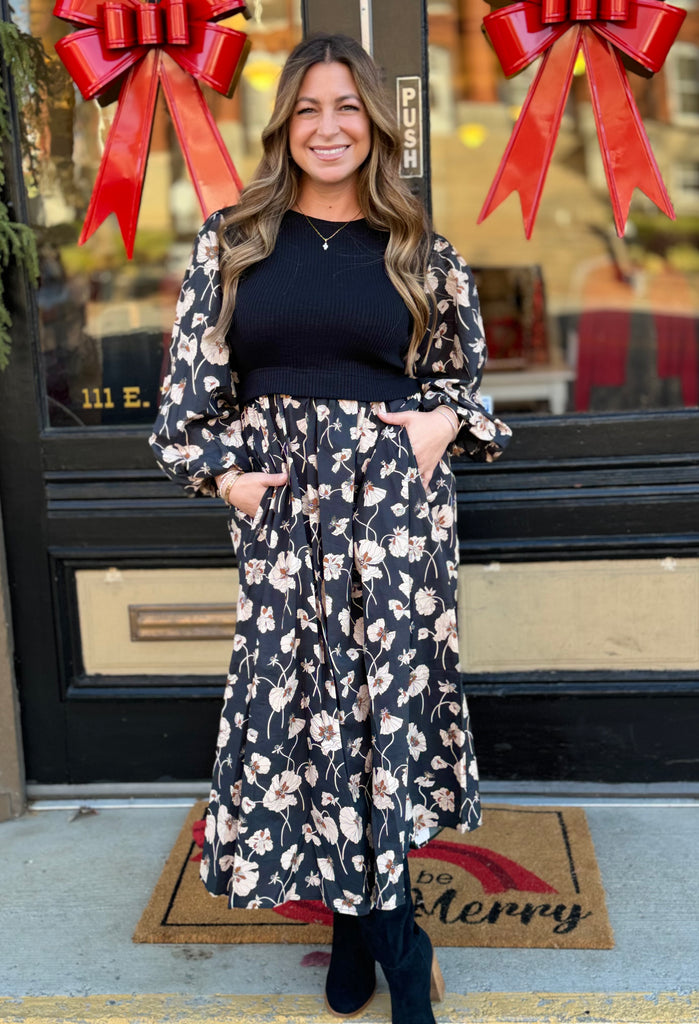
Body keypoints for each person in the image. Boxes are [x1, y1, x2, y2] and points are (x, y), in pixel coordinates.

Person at [150, 32, 511, 1024]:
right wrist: (229, 479)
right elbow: (184, 406)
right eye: (307, 109)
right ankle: (382, 934)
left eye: (346, 106)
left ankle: (383, 937)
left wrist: (441, 423)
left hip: (393, 521)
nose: (327, 127)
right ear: (283, 127)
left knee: (377, 720)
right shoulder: (232, 243)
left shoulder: (418, 250)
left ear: (375, 124)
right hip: (285, 525)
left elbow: (466, 384)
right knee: (309, 721)